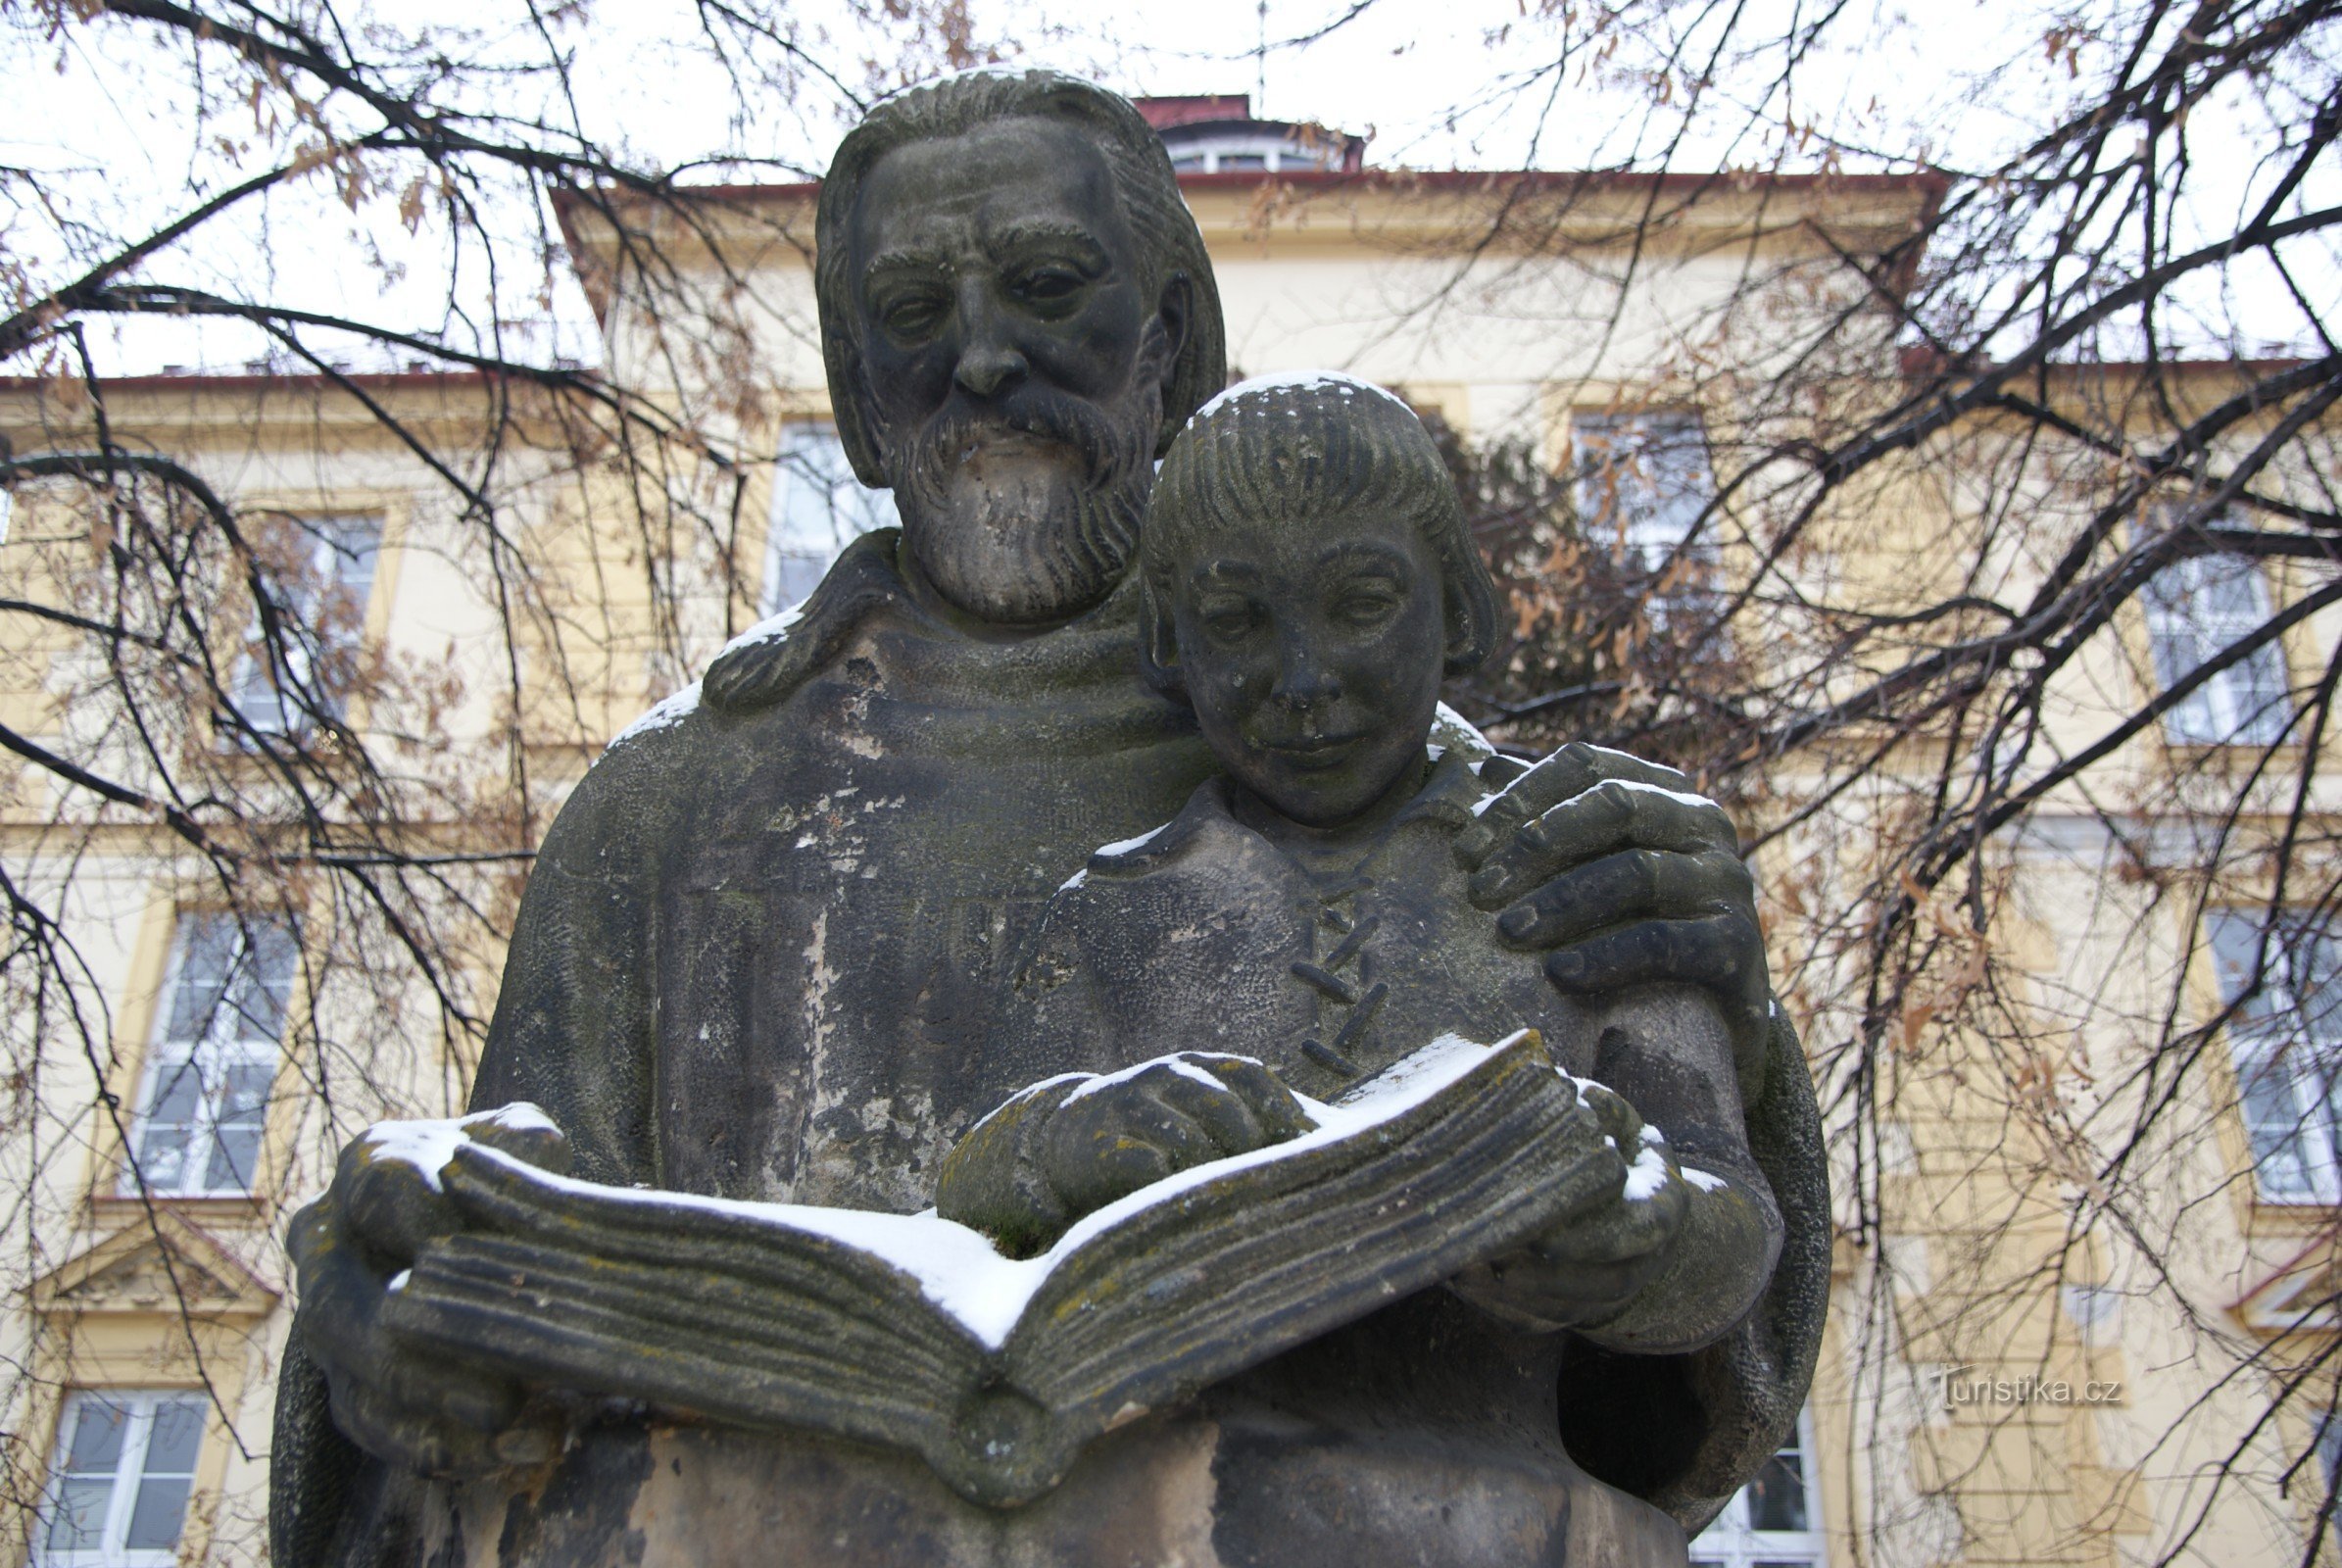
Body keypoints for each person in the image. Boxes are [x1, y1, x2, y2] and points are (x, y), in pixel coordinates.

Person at [271, 71, 1818, 1568]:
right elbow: (493, 1261)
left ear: (1170, 342)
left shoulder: (1439, 797)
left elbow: (1683, 1380)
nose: (984, 360)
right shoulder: (669, 813)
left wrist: (1726, 1012)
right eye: (913, 318)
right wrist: (389, 1326)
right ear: (859, 401)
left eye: (1048, 284)